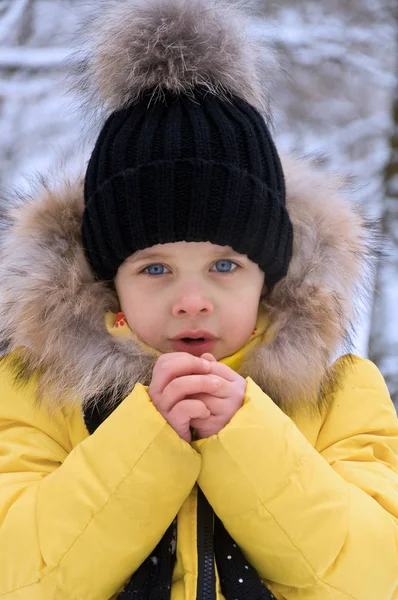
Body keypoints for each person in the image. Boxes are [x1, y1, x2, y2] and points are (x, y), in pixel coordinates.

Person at [0, 1, 397, 598]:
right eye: (155, 267)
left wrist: (245, 436)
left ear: (271, 274)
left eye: (224, 265)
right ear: (110, 280)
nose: (191, 299)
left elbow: (373, 577)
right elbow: (19, 578)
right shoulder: (38, 395)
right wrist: (146, 440)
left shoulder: (338, 399)